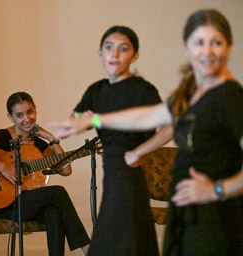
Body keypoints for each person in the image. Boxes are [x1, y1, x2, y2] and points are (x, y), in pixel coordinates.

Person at [50, 9, 243, 256]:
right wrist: (90, 119)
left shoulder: (230, 96)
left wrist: (217, 190)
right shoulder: (190, 94)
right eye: (199, 43)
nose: (206, 51)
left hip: (215, 218)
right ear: (186, 48)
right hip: (185, 212)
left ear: (229, 46)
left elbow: (159, 123)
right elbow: (147, 116)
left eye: (215, 42)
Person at [0, 92, 90, 256]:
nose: (26, 119)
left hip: (27, 203)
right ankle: (89, 249)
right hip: (4, 205)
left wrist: (51, 138)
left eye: (30, 112)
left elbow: (66, 170)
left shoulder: (38, 143)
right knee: (58, 193)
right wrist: (1, 166)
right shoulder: (3, 137)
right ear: (10, 117)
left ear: (35, 110)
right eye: (19, 115)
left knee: (53, 213)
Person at [70, 25, 161, 255]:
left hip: (130, 174)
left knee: (120, 240)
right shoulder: (97, 90)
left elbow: (168, 127)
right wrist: (81, 118)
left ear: (135, 56)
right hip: (111, 172)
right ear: (100, 53)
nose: (115, 54)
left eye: (123, 49)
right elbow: (75, 119)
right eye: (109, 48)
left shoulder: (142, 89)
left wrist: (140, 152)